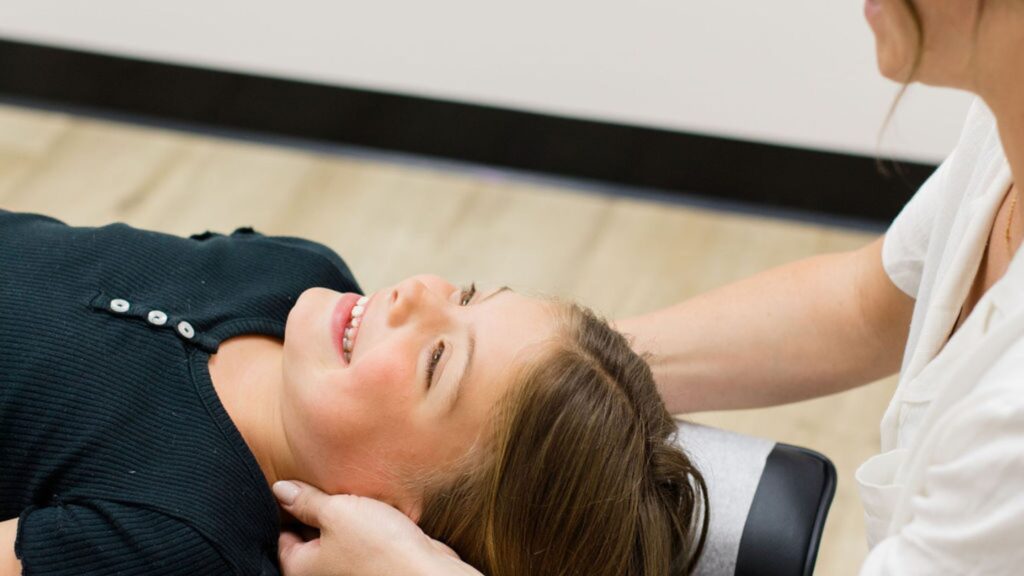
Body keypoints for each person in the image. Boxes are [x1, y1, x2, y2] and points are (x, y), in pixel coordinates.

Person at [277, 0, 1024, 574]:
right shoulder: (1005, 137)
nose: (413, 293)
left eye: (440, 359)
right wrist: (571, 393)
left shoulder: (1011, 432)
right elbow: (868, 305)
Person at [0, 209, 708, 576]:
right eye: (465, 296)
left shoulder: (180, 543)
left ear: (392, 520)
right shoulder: (298, 271)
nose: (414, 295)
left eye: (436, 360)